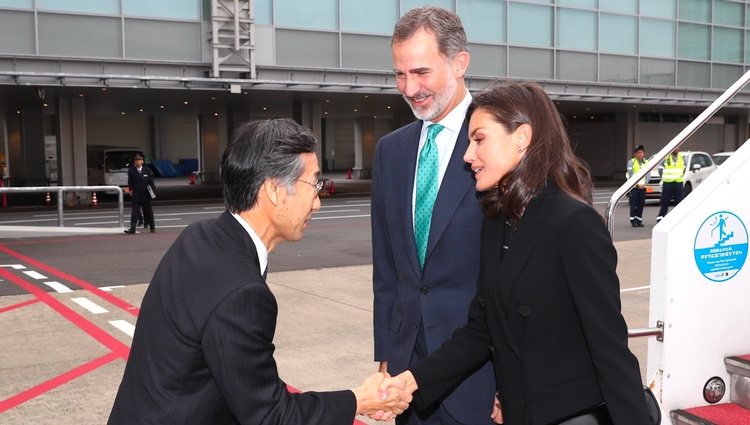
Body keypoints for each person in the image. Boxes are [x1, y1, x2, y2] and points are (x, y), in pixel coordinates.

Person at [108, 118, 411, 424]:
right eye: (313, 184)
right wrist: (359, 400)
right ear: (275, 191)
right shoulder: (243, 293)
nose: (318, 203)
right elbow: (271, 416)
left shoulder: (200, 236)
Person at [384, 82, 652, 425]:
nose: (467, 155)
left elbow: (610, 350)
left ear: (522, 137)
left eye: (479, 139)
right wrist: (411, 382)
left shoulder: (574, 224)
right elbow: (482, 329)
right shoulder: (498, 221)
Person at [371, 6, 496, 425]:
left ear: (459, 62)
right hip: (407, 372)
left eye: (421, 72)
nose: (410, 88)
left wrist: (510, 380)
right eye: (400, 74)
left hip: (479, 373)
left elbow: (522, 278)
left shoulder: (499, 146)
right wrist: (388, 353)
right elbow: (387, 266)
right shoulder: (391, 151)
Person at [123, 153, 156, 234]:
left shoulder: (147, 170)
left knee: (148, 212)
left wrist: (153, 193)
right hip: (136, 195)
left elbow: (151, 182)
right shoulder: (131, 171)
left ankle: (152, 227)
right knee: (134, 212)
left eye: (139, 160)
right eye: (136, 160)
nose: (137, 162)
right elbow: (130, 182)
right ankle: (132, 229)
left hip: (146, 194)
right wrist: (130, 190)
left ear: (142, 161)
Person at [656, 148, 685, 223]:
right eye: (675, 147)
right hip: (668, 183)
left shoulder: (681, 158)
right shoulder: (666, 158)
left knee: (679, 201)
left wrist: (679, 176)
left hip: (678, 182)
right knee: (665, 201)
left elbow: (683, 169)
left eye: (678, 147)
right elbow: (660, 170)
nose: (676, 149)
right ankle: (661, 217)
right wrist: (665, 177)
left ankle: (678, 219)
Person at [626, 145, 648, 227]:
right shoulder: (631, 162)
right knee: (634, 204)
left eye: (641, 152)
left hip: (643, 187)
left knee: (641, 204)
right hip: (634, 187)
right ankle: (633, 220)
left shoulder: (646, 162)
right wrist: (637, 184)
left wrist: (644, 184)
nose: (640, 154)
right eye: (638, 152)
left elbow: (648, 175)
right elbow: (630, 174)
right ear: (635, 154)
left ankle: (639, 220)